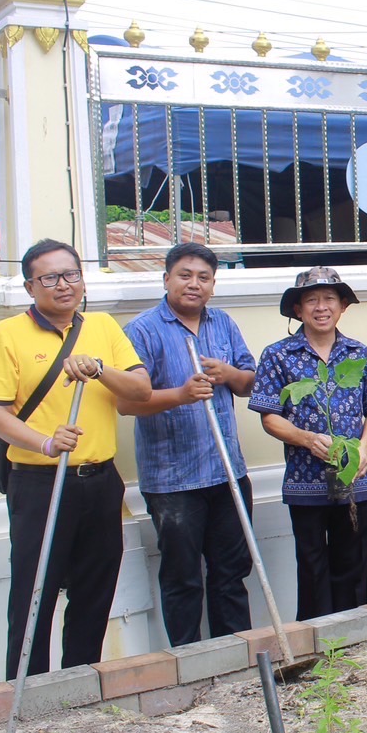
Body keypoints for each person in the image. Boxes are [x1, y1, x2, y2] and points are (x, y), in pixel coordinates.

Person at [0, 239, 151, 679]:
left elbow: (139, 391)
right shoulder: (9, 335)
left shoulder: (103, 326)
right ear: (29, 286)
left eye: (71, 274)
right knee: (33, 595)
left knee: (95, 592)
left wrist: (97, 367)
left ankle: (79, 688)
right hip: (39, 482)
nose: (63, 285)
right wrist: (44, 442)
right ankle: (28, 695)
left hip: (99, 481)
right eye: (50, 278)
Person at [120, 243, 258, 645]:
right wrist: (179, 394)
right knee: (181, 578)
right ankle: (188, 663)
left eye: (203, 277)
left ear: (213, 285)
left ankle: (235, 657)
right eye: (185, 275)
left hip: (227, 471)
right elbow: (126, 403)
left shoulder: (224, 324)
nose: (194, 284)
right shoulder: (142, 330)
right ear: (166, 279)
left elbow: (251, 385)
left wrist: (229, 372)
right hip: (173, 481)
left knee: (232, 573)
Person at [250, 267, 367, 617]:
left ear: (342, 306)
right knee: (312, 566)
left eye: (329, 298)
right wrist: (306, 438)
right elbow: (269, 417)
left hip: (354, 478)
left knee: (353, 564)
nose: (321, 307)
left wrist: (362, 448)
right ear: (298, 309)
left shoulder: (357, 352)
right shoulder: (278, 355)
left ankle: (355, 641)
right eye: (311, 300)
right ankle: (316, 648)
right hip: (305, 482)